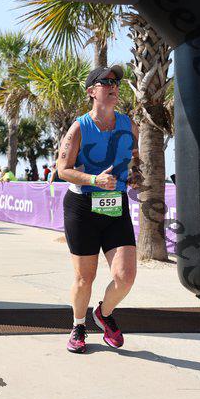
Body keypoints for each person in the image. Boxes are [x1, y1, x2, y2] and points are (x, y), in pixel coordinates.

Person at [58, 65, 142, 354]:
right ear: (91, 91)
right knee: (85, 278)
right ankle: (78, 326)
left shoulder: (129, 125)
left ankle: (103, 314)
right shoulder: (79, 127)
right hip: (82, 207)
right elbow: (62, 170)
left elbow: (135, 157)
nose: (113, 86)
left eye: (116, 82)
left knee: (125, 277)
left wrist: (136, 174)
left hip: (115, 205)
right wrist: (95, 180)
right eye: (106, 82)